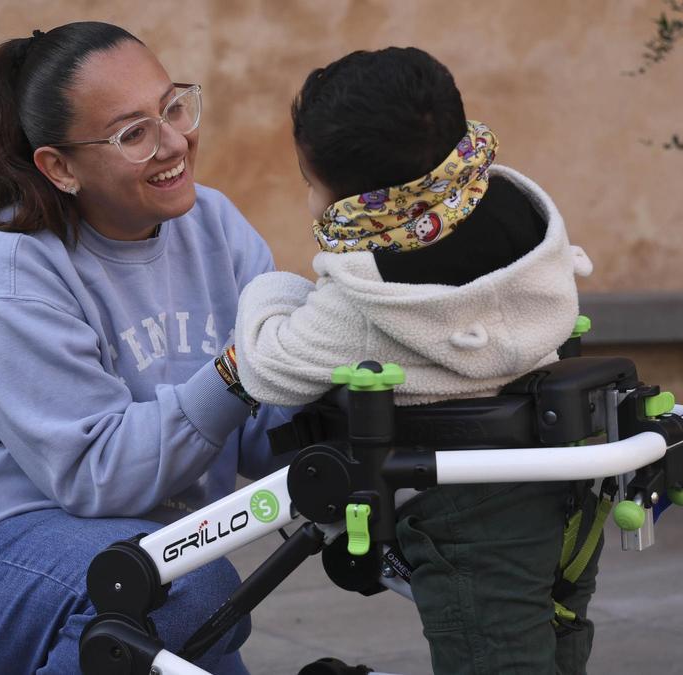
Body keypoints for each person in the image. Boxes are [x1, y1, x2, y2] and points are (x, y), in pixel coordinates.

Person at [0, 21, 291, 674]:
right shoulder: (7, 271)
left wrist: (336, 375)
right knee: (182, 589)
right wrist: (242, 369)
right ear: (60, 167)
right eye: (133, 134)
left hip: (138, 544)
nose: (174, 142)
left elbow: (264, 431)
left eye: (173, 108)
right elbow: (98, 474)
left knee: (188, 604)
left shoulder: (215, 225)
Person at [231, 48, 598, 674]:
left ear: (359, 200)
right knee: (554, 635)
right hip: (564, 479)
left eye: (309, 183)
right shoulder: (520, 220)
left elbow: (267, 368)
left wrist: (272, 289)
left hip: (463, 512)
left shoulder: (368, 300)